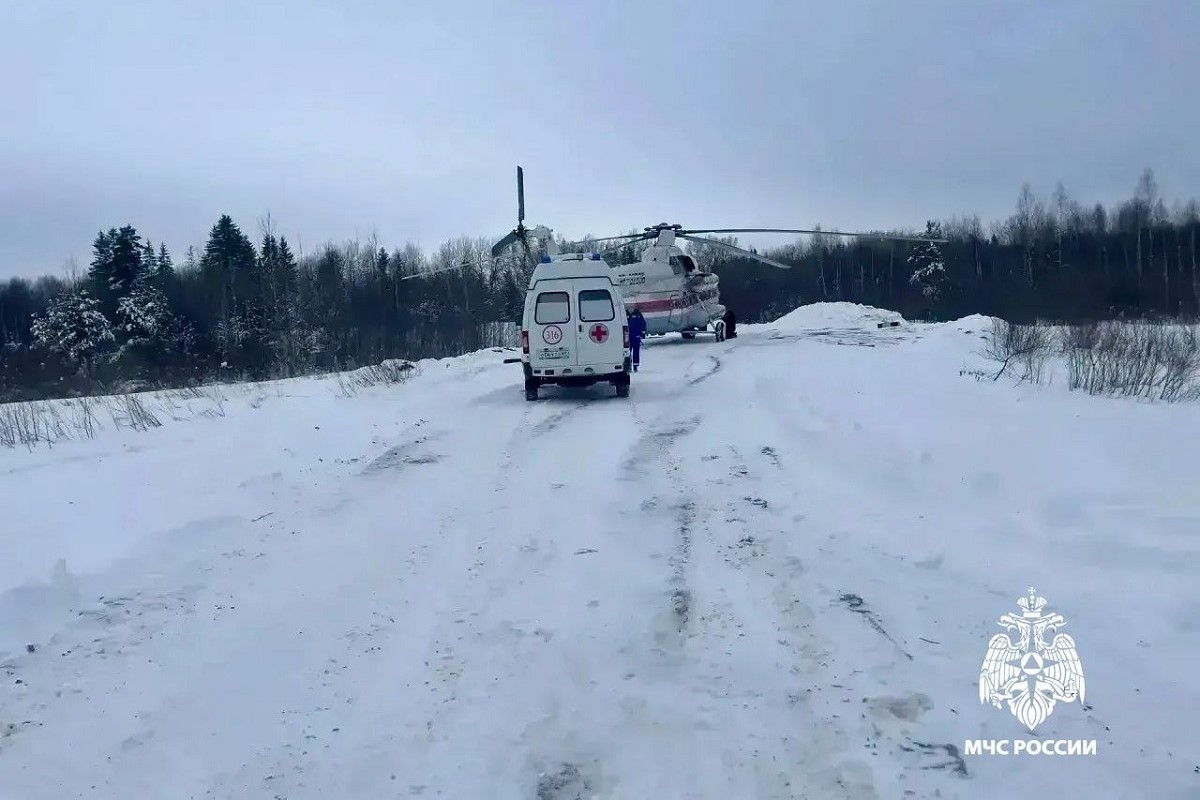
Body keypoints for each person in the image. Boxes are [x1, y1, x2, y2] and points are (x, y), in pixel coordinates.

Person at [627, 307, 647, 371]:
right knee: (627, 352)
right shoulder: (624, 313)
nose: (630, 307)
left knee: (636, 352)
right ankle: (628, 366)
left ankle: (635, 366)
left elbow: (643, 323)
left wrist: (642, 334)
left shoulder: (638, 314)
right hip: (627, 337)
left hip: (636, 336)